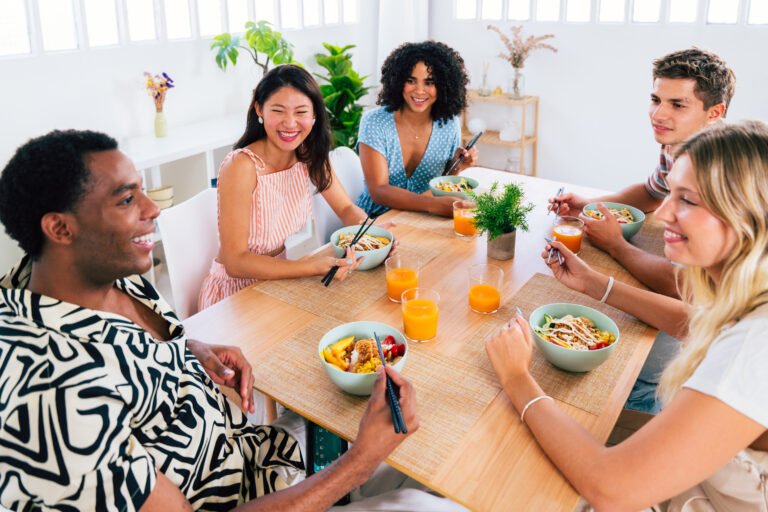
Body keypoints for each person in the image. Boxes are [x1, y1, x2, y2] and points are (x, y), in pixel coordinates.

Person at [0, 129, 471, 511]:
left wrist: (189, 348)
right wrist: (359, 462)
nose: (152, 210)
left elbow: (132, 347)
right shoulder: (56, 396)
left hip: (247, 452)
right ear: (59, 228)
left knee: (436, 447)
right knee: (427, 499)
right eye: (126, 201)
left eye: (143, 190)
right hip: (230, 497)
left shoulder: (91, 272)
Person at [488, 121, 768, 510]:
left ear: (748, 215)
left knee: (506, 471)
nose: (665, 212)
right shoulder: (752, 298)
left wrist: (517, 378)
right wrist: (596, 284)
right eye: (671, 194)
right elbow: (700, 322)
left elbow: (611, 487)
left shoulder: (757, 344)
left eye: (687, 200)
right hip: (700, 480)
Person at [549, 47, 736, 298]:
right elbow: (652, 192)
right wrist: (587, 205)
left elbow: (684, 287)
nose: (658, 115)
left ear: (714, 113)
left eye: (678, 105)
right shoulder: (676, 146)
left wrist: (617, 246)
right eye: (656, 100)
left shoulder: (722, 174)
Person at [199, 64, 368, 310]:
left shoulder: (308, 154)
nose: (290, 124)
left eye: (301, 112)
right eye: (278, 110)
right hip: (233, 297)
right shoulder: (242, 166)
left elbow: (345, 207)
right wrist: (309, 267)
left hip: (278, 281)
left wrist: (374, 237)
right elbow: (235, 262)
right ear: (259, 109)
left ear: (314, 115)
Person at [357, 41, 479, 218]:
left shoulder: (448, 124)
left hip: (421, 218)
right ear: (398, 81)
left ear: (444, 86)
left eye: (430, 82)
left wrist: (457, 165)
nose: (420, 91)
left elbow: (441, 182)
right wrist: (434, 205)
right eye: (411, 80)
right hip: (373, 222)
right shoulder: (375, 122)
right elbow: (379, 190)